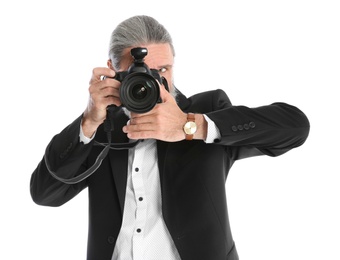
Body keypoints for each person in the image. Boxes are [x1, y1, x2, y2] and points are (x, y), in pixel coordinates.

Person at [30, 15, 310, 260]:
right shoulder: (102, 129)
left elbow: (295, 128)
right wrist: (89, 120)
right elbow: (45, 194)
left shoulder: (206, 111)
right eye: (139, 72)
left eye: (162, 70)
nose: (153, 80)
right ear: (112, 70)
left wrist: (191, 126)